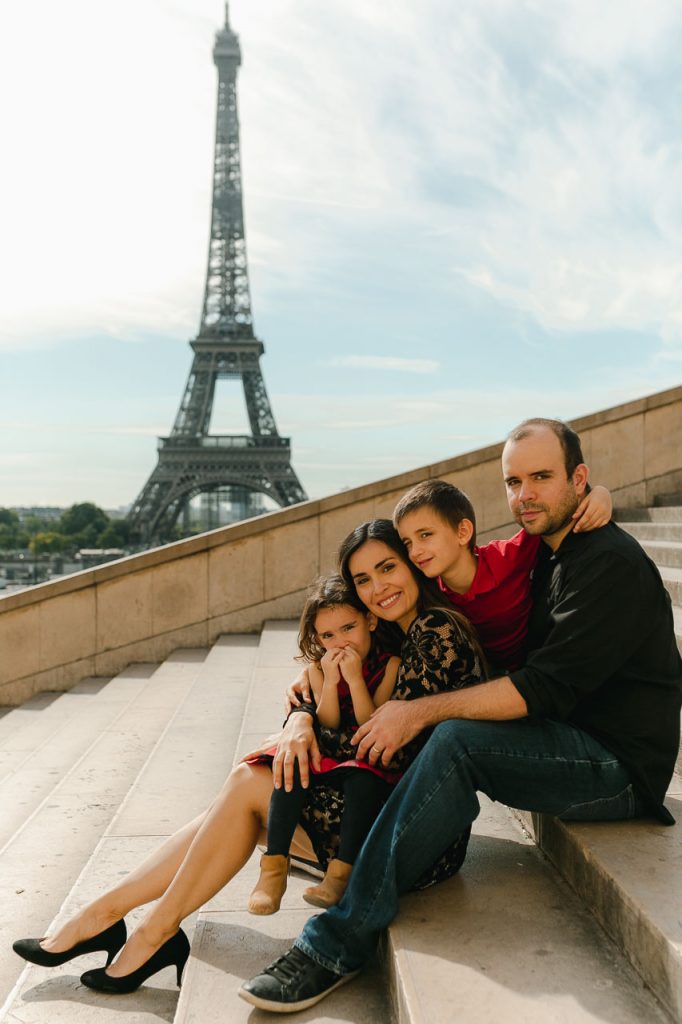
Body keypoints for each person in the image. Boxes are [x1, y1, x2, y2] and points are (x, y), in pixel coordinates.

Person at [240, 417, 682, 1013]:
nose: (525, 495)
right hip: (567, 735)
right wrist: (305, 699)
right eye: (514, 482)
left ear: (579, 478)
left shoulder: (608, 564)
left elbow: (542, 689)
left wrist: (415, 712)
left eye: (542, 477)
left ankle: (335, 943)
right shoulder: (549, 553)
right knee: (443, 732)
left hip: (617, 766)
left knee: (454, 739)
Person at [12, 524, 485, 995]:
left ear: (412, 564)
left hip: (412, 832)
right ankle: (109, 915)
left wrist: (302, 727)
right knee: (237, 800)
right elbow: (330, 699)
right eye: (363, 579)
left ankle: (144, 931)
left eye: (387, 568)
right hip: (386, 807)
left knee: (249, 785)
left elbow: (384, 749)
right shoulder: (390, 633)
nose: (377, 588)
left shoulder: (432, 630)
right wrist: (301, 717)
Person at [247, 573, 401, 914]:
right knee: (291, 767)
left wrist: (355, 680)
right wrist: (331, 682)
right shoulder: (317, 669)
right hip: (331, 752)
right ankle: (273, 868)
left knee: (363, 780)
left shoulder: (390, 665)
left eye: (348, 628)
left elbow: (369, 722)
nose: (340, 642)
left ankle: (340, 874)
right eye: (328, 635)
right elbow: (328, 721)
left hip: (363, 755)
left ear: (370, 621)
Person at [393, 478, 612, 671]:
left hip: (540, 667)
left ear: (463, 532)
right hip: (483, 682)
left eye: (425, 535)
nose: (415, 551)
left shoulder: (508, 556)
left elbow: (558, 513)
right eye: (408, 543)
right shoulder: (428, 592)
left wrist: (600, 494)